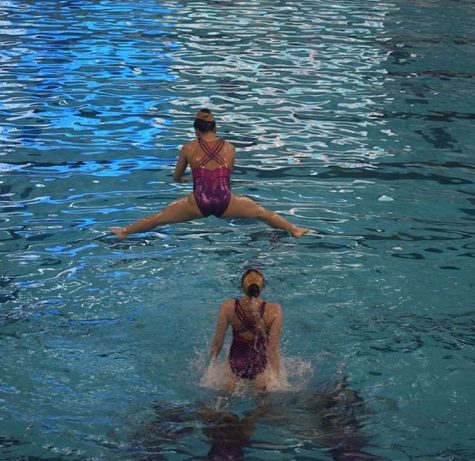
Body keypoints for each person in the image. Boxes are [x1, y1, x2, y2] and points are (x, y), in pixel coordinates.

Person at [110, 109, 309, 239]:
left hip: (198, 202)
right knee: (263, 213)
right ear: (215, 128)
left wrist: (184, 180)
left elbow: (176, 177)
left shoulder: (188, 148)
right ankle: (294, 230)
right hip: (226, 200)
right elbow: (226, 175)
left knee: (158, 218)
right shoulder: (230, 147)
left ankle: (124, 232)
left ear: (196, 130)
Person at [209, 268, 282, 392]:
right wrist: (277, 378)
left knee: (224, 397)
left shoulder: (228, 307)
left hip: (234, 364)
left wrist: (210, 369)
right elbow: (272, 349)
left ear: (242, 287)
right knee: (264, 404)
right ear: (263, 286)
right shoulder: (275, 311)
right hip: (261, 366)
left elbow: (217, 343)